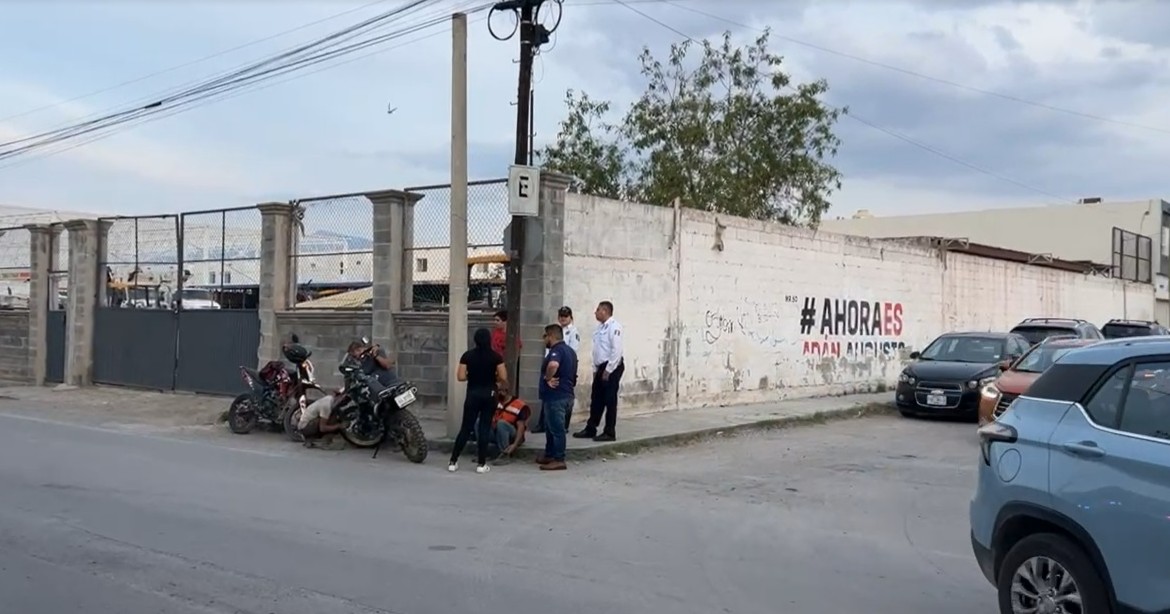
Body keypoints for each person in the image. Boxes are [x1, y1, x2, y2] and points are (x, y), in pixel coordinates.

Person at [449, 328, 508, 474]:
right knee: (484, 428)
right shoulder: (496, 357)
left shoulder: (467, 356)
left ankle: (453, 461)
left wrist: (472, 376)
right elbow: (503, 376)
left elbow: (461, 377)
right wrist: (493, 378)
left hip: (473, 394)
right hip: (489, 394)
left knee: (466, 428)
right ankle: (481, 464)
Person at [574, 300, 624, 442]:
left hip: (612, 366)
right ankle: (591, 428)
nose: (595, 312)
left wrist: (609, 369)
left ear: (605, 311)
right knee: (596, 398)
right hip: (601, 366)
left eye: (598, 310)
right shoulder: (599, 328)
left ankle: (609, 432)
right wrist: (596, 369)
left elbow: (616, 350)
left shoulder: (614, 327)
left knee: (609, 399)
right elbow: (597, 351)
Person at [534, 306, 582, 434]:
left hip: (562, 365)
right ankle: (543, 423)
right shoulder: (556, 330)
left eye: (566, 316)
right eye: (561, 316)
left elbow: (572, 351)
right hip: (552, 363)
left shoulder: (573, 332)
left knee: (561, 397)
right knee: (548, 396)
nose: (563, 318)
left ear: (571, 317)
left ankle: (562, 426)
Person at [537, 324, 578, 471]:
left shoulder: (557, 350)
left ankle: (559, 459)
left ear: (551, 336)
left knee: (557, 430)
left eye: (545, 336)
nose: (544, 340)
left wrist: (548, 378)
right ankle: (550, 454)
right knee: (551, 427)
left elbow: (553, 365)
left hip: (557, 396)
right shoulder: (570, 351)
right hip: (566, 395)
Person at [491, 382, 531, 464]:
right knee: (478, 422)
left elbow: (521, 427)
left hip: (512, 435)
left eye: (499, 391)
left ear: (505, 391)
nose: (497, 394)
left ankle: (505, 455)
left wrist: (515, 444)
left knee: (501, 423)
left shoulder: (519, 405)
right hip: (496, 432)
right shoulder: (495, 402)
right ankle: (482, 453)